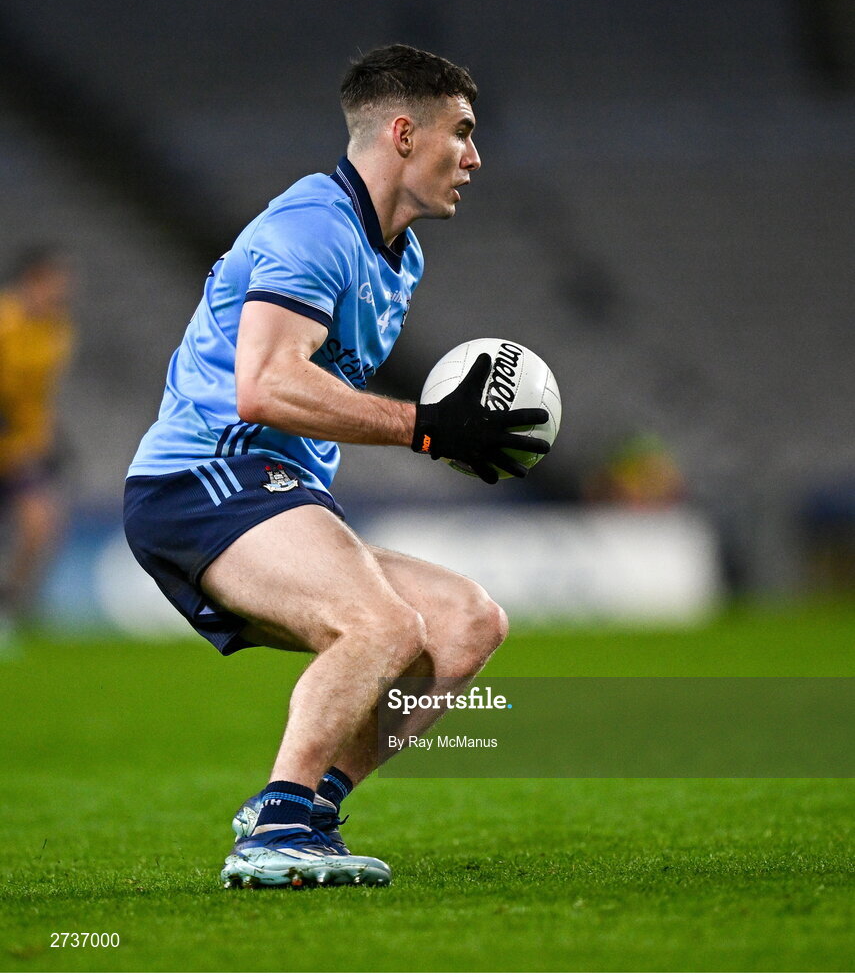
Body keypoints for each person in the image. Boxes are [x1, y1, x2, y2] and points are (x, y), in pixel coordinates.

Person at [124, 44, 550, 889]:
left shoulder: (400, 255)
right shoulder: (309, 230)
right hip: (206, 478)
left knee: (466, 625)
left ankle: (307, 804)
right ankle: (273, 834)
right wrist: (426, 429)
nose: (474, 156)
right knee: (381, 625)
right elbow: (265, 386)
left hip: (275, 491)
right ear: (401, 132)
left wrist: (443, 427)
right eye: (460, 132)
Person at [0, 245, 75, 641]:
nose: (62, 288)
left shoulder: (57, 328)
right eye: (53, 280)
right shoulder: (4, 322)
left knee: (39, 524)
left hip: (21, 450)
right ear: (31, 280)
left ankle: (11, 609)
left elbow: (39, 394)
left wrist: (48, 439)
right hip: (8, 443)